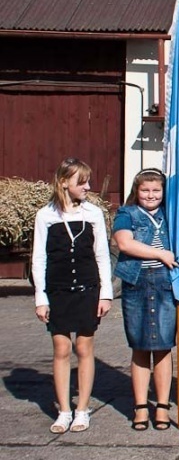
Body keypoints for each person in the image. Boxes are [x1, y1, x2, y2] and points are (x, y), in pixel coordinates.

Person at [32, 158, 113, 434]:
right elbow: (39, 258)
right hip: (58, 290)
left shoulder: (93, 214)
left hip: (88, 289)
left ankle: (82, 409)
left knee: (84, 348)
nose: (87, 186)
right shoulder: (45, 215)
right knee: (62, 349)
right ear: (64, 182)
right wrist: (41, 298)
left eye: (88, 181)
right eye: (82, 182)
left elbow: (102, 255)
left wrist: (106, 294)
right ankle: (64, 410)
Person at [112, 168, 178, 431]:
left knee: (163, 346)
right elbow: (125, 244)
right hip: (137, 283)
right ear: (136, 191)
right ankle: (140, 406)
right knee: (139, 346)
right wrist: (160, 254)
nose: (151, 195)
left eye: (156, 190)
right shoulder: (126, 214)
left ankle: (162, 405)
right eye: (145, 190)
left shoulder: (170, 215)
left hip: (165, 284)